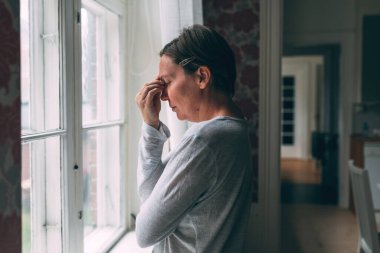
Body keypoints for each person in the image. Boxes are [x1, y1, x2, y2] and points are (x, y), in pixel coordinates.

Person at [135, 24, 253, 253]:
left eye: (167, 82)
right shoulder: (234, 130)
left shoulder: (205, 141)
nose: (164, 95)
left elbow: (144, 233)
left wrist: (150, 129)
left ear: (201, 77)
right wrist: (151, 125)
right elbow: (152, 197)